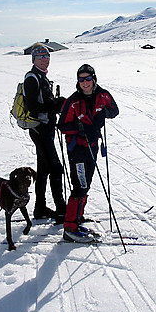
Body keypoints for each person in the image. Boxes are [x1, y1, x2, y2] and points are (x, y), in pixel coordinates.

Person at [57, 64, 119, 242]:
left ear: (94, 78)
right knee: (80, 185)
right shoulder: (73, 100)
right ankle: (70, 227)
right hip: (78, 149)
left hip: (93, 146)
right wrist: (79, 128)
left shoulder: (103, 95)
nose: (85, 83)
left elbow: (115, 110)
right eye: (81, 79)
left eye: (87, 79)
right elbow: (62, 125)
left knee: (86, 184)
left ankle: (77, 219)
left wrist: (104, 112)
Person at [23, 43, 66, 223]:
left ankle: (40, 207)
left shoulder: (41, 76)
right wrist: (54, 105)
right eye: (40, 57)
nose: (45, 60)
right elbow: (31, 107)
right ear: (33, 59)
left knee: (44, 169)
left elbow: (42, 102)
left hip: (45, 128)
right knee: (56, 168)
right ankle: (61, 209)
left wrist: (55, 103)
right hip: (40, 128)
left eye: (47, 56)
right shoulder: (32, 78)